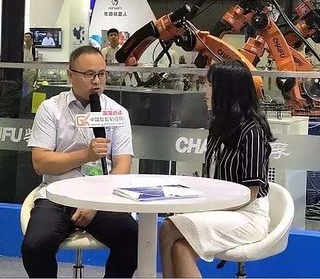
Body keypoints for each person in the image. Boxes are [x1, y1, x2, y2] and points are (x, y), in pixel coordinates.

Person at [21, 45, 138, 278]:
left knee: (134, 240)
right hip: (56, 195)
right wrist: (86, 155)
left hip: (102, 197)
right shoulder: (50, 109)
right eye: (89, 74)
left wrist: (97, 202)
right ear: (70, 75)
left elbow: (122, 166)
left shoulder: (117, 112)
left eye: (101, 74)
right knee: (35, 245)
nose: (97, 81)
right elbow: (40, 163)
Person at [159, 60, 273, 278]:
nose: (204, 91)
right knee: (180, 247)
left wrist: (207, 209)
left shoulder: (252, 131)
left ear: (226, 91)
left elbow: (251, 192)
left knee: (168, 228)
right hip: (223, 210)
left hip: (248, 215)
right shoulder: (218, 127)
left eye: (210, 85)